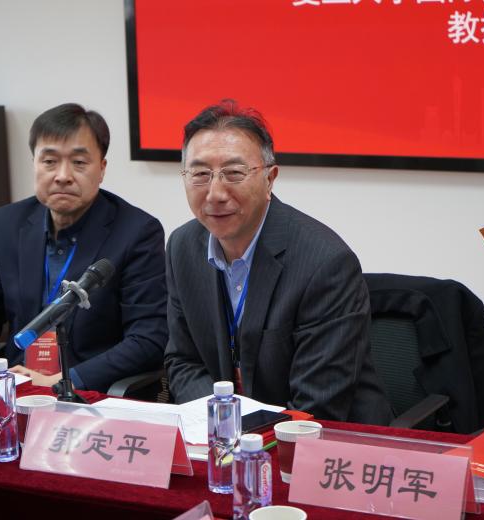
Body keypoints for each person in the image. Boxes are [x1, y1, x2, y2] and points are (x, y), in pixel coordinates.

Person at [164, 100, 393, 425]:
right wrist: (221, 426)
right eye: (200, 174)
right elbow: (182, 362)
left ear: (269, 179)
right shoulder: (182, 248)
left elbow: (316, 404)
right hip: (221, 436)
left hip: (323, 439)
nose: (215, 193)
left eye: (234, 173)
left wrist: (237, 433)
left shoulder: (325, 264)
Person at [0, 103, 168, 393]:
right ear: (34, 164)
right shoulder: (4, 225)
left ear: (102, 169)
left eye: (79, 162)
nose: (63, 175)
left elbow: (149, 339)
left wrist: (65, 381)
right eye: (50, 161)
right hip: (17, 388)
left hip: (92, 393)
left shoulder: (137, 232)